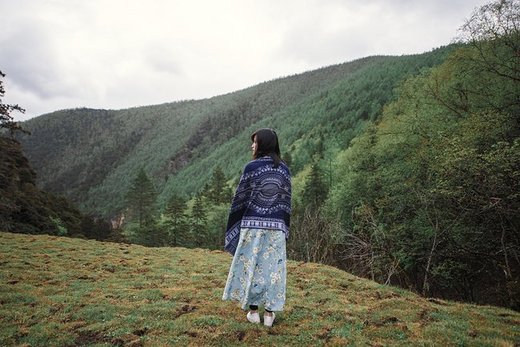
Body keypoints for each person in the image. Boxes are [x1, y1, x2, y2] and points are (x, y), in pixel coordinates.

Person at [222, 128, 291, 327]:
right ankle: (269, 315)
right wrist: (283, 226)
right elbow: (286, 202)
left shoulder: (251, 168)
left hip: (252, 226)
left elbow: (239, 200)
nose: (252, 146)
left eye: (255, 142)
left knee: (251, 266)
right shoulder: (284, 169)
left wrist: (235, 224)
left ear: (263, 144)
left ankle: (253, 312)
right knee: (273, 270)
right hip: (276, 229)